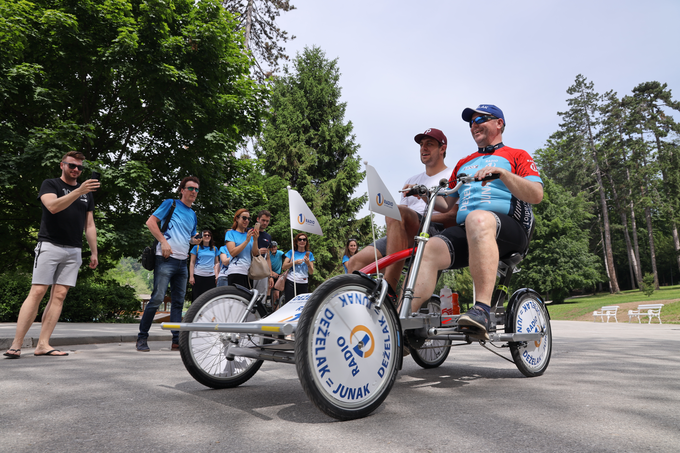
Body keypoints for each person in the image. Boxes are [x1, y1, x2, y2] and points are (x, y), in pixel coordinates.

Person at [411, 105, 543, 339]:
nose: (474, 125)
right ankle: (404, 321)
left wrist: (504, 174)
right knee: (430, 247)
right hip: (470, 230)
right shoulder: (464, 162)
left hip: (509, 230)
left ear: (499, 123)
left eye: (480, 119)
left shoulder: (517, 155)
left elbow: (536, 194)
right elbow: (447, 203)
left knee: (477, 218)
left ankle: (482, 308)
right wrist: (423, 193)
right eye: (471, 122)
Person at [4, 152, 99, 359]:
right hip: (49, 245)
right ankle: (16, 345)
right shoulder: (51, 184)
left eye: (79, 168)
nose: (76, 170)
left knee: (59, 295)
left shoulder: (87, 193)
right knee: (38, 291)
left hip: (74, 249)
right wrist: (79, 191)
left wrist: (94, 252)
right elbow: (53, 207)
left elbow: (89, 224)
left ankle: (43, 344)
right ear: (62, 165)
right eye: (72, 166)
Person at [347, 128, 456, 293]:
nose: (423, 148)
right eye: (421, 144)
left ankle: (389, 289)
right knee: (355, 263)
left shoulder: (452, 176)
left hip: (433, 230)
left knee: (398, 213)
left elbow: (454, 215)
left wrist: (422, 215)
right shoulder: (412, 180)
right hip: (405, 228)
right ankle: (356, 308)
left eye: (429, 144)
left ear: (443, 148)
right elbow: (400, 213)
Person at [136, 177, 201, 352]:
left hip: (182, 262)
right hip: (165, 259)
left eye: (196, 189)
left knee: (179, 302)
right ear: (182, 190)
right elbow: (151, 222)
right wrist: (164, 242)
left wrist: (196, 240)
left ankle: (176, 341)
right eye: (190, 188)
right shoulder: (170, 204)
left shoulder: (193, 214)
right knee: (157, 298)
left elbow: (190, 238)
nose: (194, 192)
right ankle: (142, 338)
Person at [224, 209, 259, 288]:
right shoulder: (230, 233)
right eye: (244, 218)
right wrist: (246, 241)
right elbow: (232, 252)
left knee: (246, 299)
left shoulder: (249, 234)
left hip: (249, 272)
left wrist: (256, 240)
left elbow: (254, 253)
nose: (246, 221)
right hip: (236, 271)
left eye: (248, 219)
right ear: (236, 218)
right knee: (236, 299)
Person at [281, 233, 315, 304]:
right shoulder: (291, 252)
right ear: (296, 242)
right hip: (291, 281)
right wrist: (294, 262)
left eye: (304, 239)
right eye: (300, 239)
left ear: (306, 242)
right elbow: (284, 267)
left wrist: (308, 263)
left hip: (303, 282)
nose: (302, 241)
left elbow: (311, 272)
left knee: (301, 305)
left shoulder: (309, 254)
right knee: (289, 304)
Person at [189, 229, 219, 301]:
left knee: (209, 299)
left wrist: (217, 275)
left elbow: (217, 263)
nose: (207, 236)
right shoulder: (196, 247)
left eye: (209, 235)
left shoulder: (215, 249)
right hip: (198, 276)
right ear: (202, 237)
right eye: (205, 235)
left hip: (211, 277)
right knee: (197, 298)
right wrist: (191, 276)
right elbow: (192, 263)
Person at [251, 210, 274, 298]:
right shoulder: (249, 231)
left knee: (261, 297)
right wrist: (258, 250)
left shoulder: (268, 236)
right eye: (263, 220)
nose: (265, 223)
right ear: (258, 219)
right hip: (249, 265)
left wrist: (270, 275)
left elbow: (268, 258)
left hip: (261, 268)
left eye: (267, 221)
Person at [268, 241, 285, 308]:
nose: (273, 248)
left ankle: (276, 309)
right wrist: (272, 272)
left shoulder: (280, 253)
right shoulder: (268, 254)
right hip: (269, 274)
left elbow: (287, 259)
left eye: (274, 247)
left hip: (278, 275)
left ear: (276, 247)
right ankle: (268, 303)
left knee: (277, 295)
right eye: (271, 247)